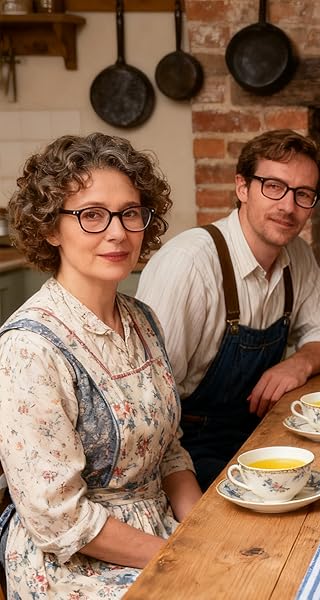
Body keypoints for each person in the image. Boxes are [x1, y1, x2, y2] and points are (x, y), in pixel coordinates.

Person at [0, 133, 202, 598]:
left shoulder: (142, 319)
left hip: (161, 531)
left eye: (130, 213)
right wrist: (179, 554)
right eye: (92, 215)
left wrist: (201, 529)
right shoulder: (31, 346)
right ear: (51, 228)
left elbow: (169, 450)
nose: (117, 232)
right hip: (75, 564)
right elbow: (60, 520)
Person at [136, 129, 320, 488]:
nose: (288, 206)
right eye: (273, 186)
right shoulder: (190, 264)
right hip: (186, 449)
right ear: (242, 187)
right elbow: (150, 403)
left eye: (304, 194)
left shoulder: (296, 255)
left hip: (258, 431)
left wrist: (299, 363)